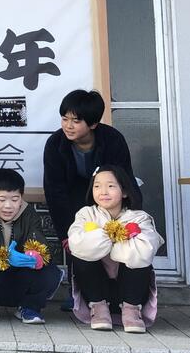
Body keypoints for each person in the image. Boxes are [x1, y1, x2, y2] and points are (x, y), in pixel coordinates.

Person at [43, 89, 141, 310]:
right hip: (73, 197)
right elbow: (55, 191)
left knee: (114, 243)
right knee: (79, 242)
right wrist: (65, 234)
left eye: (76, 121)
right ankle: (78, 294)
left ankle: (120, 296)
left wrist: (131, 215)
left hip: (108, 195)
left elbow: (124, 178)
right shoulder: (55, 144)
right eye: (65, 119)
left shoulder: (113, 140)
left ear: (93, 123)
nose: (68, 126)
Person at [68, 165, 163, 333]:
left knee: (138, 256)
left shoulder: (139, 218)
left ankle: (131, 311)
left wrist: (105, 242)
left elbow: (145, 250)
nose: (103, 192)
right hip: (97, 291)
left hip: (130, 291)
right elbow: (76, 243)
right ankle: (99, 309)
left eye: (111, 186)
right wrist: (115, 236)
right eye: (97, 186)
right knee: (81, 253)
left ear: (124, 191)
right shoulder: (86, 214)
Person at [0, 169, 63, 324]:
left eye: (15, 199)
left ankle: (30, 307)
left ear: (21, 198)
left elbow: (37, 236)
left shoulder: (28, 212)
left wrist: (36, 254)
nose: (8, 206)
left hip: (21, 273)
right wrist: (3, 256)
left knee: (51, 273)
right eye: (2, 199)